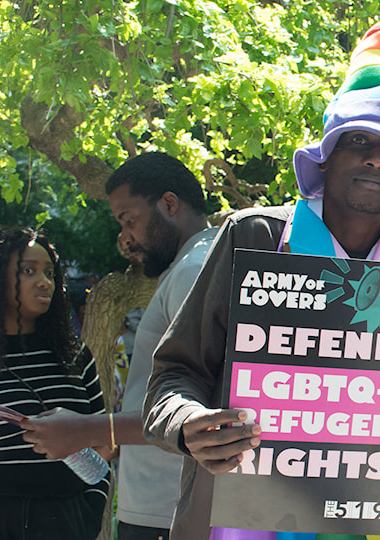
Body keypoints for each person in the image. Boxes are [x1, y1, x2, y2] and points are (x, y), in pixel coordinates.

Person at [143, 16, 380, 540]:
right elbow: (174, 374)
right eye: (360, 140)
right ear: (326, 157)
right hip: (234, 522)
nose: (378, 158)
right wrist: (187, 422)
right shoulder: (253, 238)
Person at [0, 227, 110, 539]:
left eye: (50, 273)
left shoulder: (74, 355)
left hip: (63, 521)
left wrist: (88, 509)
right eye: (28, 271)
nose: (45, 282)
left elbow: (104, 439)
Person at [106, 151, 217, 540]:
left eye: (129, 219)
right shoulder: (188, 267)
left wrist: (89, 431)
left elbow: (201, 406)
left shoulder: (195, 270)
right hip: (158, 506)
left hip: (166, 512)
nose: (125, 237)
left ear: (169, 204)